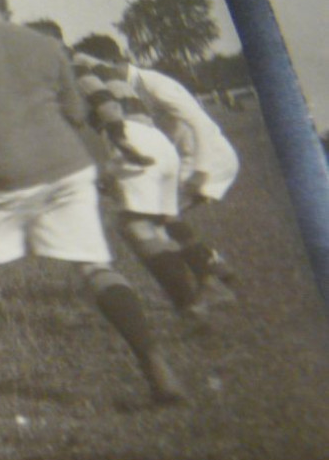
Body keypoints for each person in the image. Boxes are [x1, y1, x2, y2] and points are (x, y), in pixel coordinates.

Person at [0, 0, 185, 405]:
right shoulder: (44, 43)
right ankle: (157, 370)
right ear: (6, 11)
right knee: (95, 266)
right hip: (64, 166)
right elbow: (75, 112)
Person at [74, 33, 241, 301]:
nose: (98, 73)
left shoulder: (153, 84)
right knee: (160, 221)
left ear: (114, 60)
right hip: (178, 160)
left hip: (204, 157)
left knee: (146, 223)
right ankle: (216, 272)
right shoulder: (119, 91)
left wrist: (201, 170)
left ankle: (209, 280)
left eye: (100, 65)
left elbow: (200, 124)